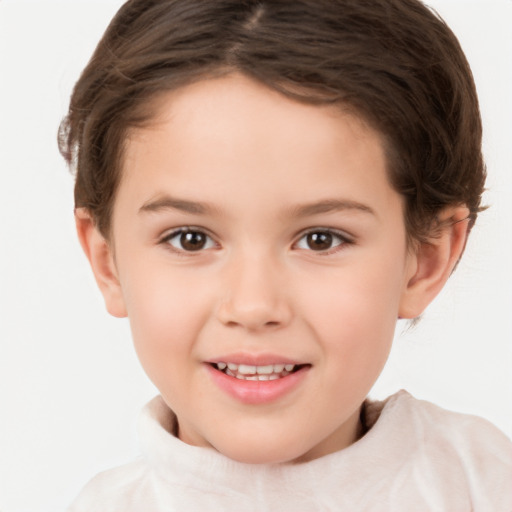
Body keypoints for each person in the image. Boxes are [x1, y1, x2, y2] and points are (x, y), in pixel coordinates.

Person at [58, 0, 512, 509]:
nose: (253, 307)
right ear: (107, 261)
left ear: (426, 259)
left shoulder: (486, 485)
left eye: (321, 239)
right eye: (191, 238)